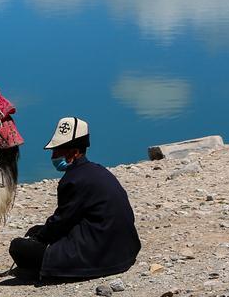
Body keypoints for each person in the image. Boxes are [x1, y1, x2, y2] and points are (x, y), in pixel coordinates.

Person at [8, 116, 141, 281]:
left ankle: (45, 270)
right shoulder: (99, 171)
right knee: (36, 231)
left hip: (102, 257)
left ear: (74, 153)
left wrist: (37, 238)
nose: (53, 157)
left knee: (18, 247)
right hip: (126, 251)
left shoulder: (72, 180)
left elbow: (61, 222)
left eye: (57, 151)